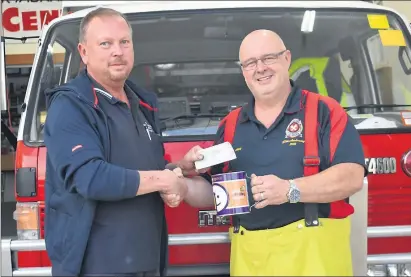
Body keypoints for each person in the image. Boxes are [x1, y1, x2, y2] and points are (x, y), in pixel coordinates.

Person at [167, 29, 367, 276]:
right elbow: (216, 192)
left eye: (269, 58)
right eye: (250, 63)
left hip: (315, 261)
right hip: (250, 261)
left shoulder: (324, 111)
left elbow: (351, 176)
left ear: (287, 59)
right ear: (243, 72)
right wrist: (184, 186)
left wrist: (290, 190)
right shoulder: (230, 125)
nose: (260, 68)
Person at [43, 8, 202, 277]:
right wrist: (164, 180)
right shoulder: (70, 105)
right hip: (96, 265)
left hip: (147, 259)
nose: (117, 51)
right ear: (84, 52)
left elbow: (143, 164)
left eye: (124, 42)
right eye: (105, 43)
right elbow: (90, 177)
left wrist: (178, 168)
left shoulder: (143, 103)